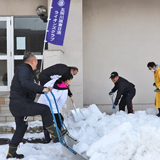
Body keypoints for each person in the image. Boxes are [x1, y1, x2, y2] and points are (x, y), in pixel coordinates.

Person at [6, 53, 67, 159]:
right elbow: (25, 83)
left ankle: (11, 152)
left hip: (18, 104)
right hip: (21, 104)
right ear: (32, 61)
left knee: (21, 127)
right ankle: (55, 133)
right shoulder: (24, 69)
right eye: (36, 63)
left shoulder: (25, 70)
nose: (36, 66)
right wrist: (42, 89)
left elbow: (29, 86)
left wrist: (43, 89)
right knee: (45, 109)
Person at [39, 63, 78, 142]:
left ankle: (49, 138)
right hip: (49, 104)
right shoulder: (61, 86)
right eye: (72, 76)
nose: (71, 81)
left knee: (48, 120)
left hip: (44, 103)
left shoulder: (55, 81)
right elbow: (58, 100)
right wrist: (56, 109)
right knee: (58, 119)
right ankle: (57, 136)